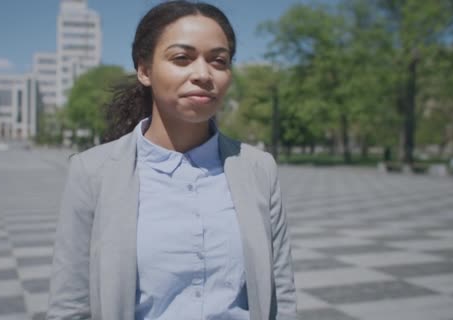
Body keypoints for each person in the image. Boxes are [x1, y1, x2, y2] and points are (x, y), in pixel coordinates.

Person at [46, 1, 297, 319]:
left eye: (219, 61)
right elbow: (70, 305)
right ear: (144, 70)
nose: (204, 74)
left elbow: (281, 297)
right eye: (182, 58)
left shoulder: (259, 168)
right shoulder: (93, 171)